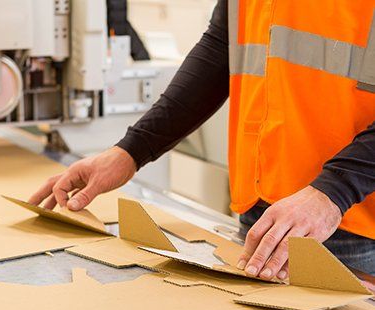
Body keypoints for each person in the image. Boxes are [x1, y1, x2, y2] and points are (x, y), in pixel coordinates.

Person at [30, 0, 375, 277]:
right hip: (261, 211)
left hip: (347, 221)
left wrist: (334, 192)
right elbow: (219, 50)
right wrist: (129, 151)